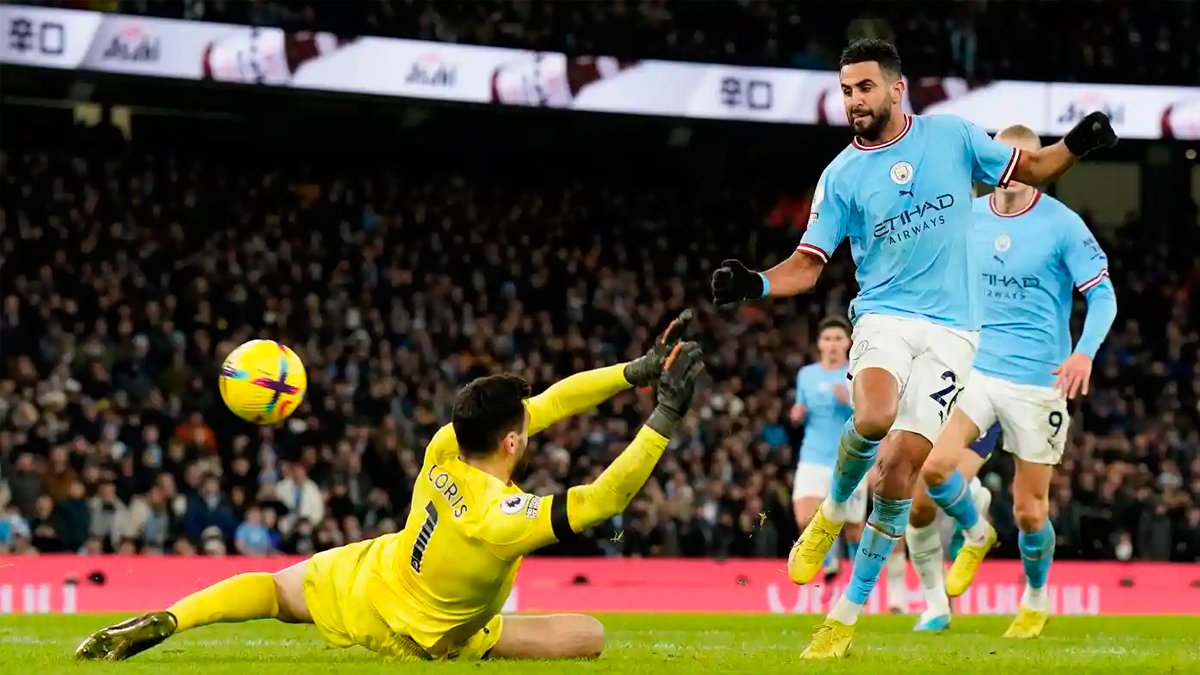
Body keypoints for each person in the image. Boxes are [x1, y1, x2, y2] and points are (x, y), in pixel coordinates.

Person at [710, 38, 1116, 659]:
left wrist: (1078, 144)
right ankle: (832, 513)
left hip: (955, 336)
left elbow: (1033, 168)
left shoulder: (952, 137)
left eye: (864, 87)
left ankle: (843, 620)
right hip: (885, 316)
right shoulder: (841, 175)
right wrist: (756, 283)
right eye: (846, 90)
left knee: (901, 471)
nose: (854, 100)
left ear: (896, 88)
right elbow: (809, 263)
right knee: (874, 417)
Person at [76, 312, 703, 662]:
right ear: (512, 443)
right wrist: (665, 415)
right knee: (591, 636)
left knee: (272, 591)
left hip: (372, 574)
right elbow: (604, 499)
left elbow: (555, 401)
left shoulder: (444, 445)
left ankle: (170, 617)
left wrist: (636, 372)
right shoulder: (504, 518)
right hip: (429, 637)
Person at [906, 124, 1117, 637]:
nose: (1011, 172)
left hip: (1037, 382)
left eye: (1023, 161)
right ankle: (976, 531)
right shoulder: (967, 216)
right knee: (933, 468)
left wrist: (1084, 353)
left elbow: (1103, 295)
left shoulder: (1063, 225)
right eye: (1004, 160)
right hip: (975, 372)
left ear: (1038, 167)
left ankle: (1035, 597)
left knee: (1029, 511)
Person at [792, 316, 904, 610]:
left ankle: (857, 593)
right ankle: (830, 561)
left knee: (854, 530)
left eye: (837, 339)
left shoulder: (857, 374)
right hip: (812, 457)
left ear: (848, 343)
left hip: (849, 459)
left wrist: (850, 402)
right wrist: (797, 413)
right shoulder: (806, 375)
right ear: (819, 344)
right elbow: (801, 407)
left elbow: (874, 417)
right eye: (827, 339)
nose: (832, 344)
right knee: (804, 516)